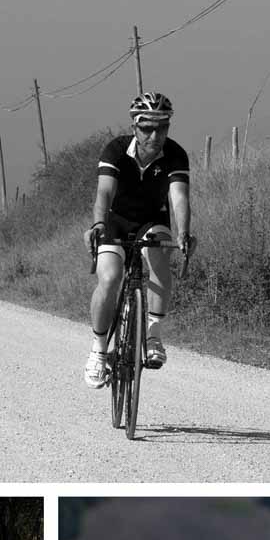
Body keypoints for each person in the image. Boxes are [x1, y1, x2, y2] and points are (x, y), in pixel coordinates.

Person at [83, 90, 192, 388]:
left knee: (159, 256)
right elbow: (104, 192)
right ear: (134, 126)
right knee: (109, 278)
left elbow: (179, 198)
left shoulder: (175, 154)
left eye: (162, 127)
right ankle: (98, 351)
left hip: (152, 221)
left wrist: (183, 233)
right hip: (116, 222)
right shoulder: (116, 150)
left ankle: (153, 335)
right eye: (147, 128)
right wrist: (98, 225)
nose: (154, 135)